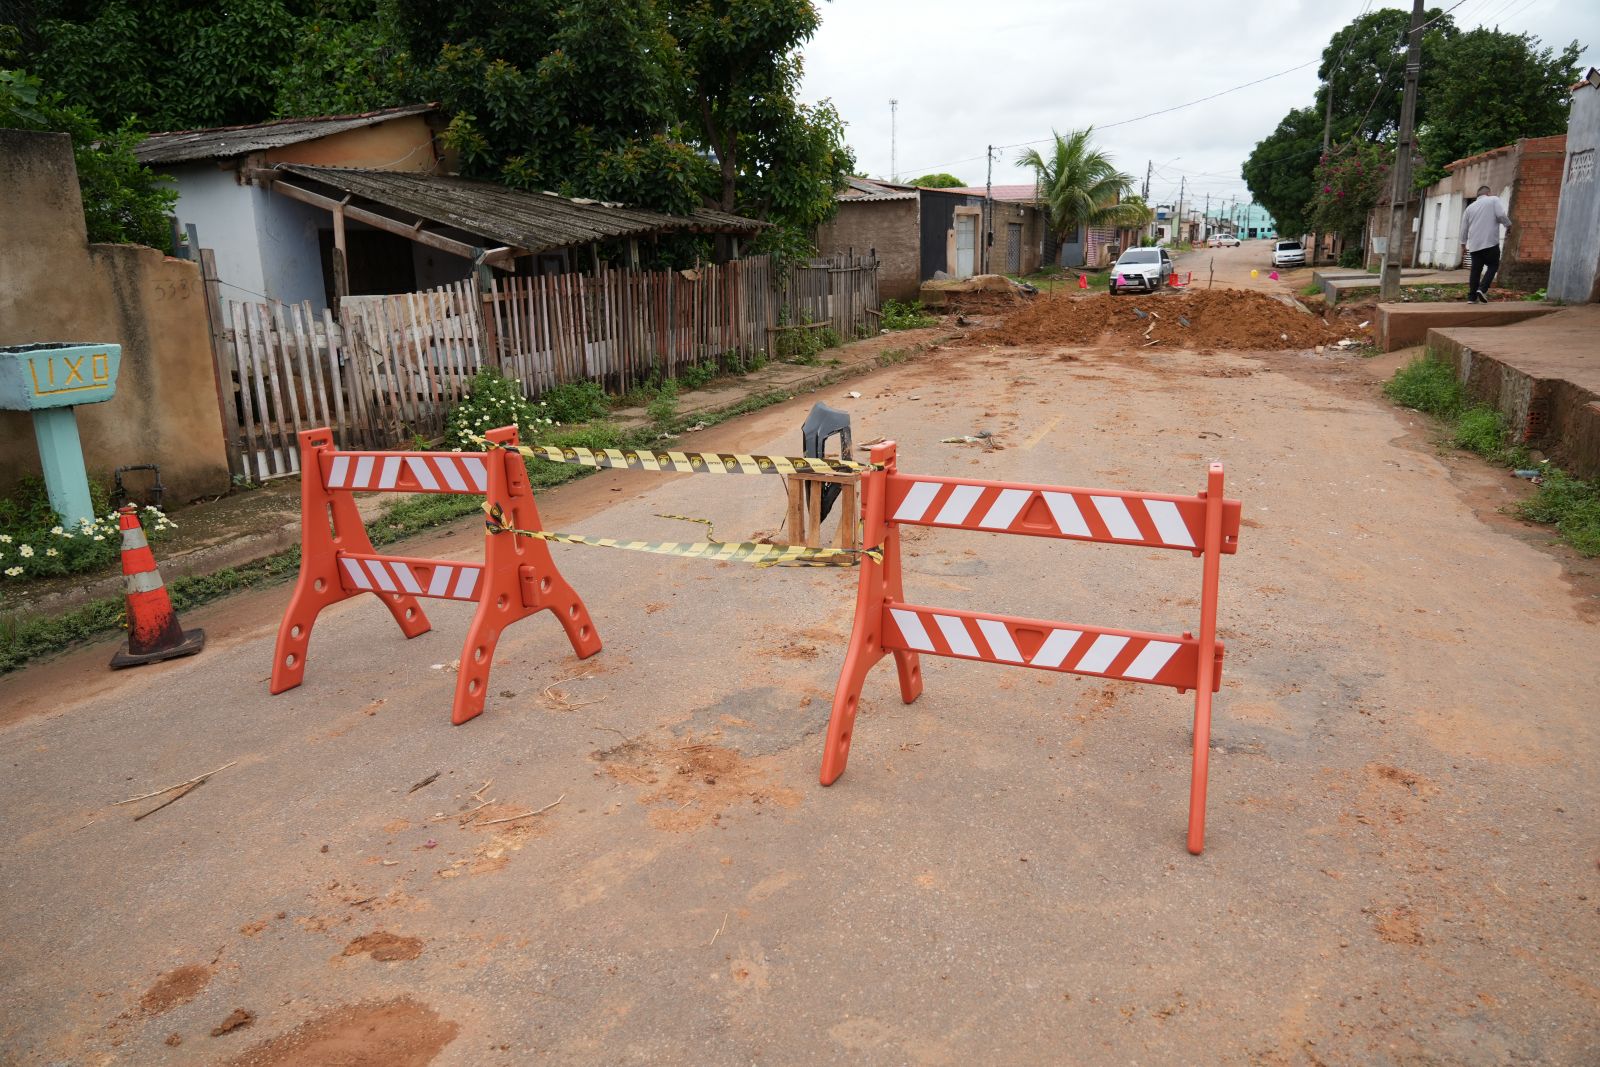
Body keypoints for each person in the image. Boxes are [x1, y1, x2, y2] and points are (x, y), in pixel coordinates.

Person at [1460, 185, 1513, 303]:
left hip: (1474, 245)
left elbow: (1464, 228)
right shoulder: (1493, 199)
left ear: (1478, 195)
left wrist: (1463, 245)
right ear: (1488, 193)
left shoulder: (1469, 208)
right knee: (1493, 265)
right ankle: (1482, 289)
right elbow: (1500, 215)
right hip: (1490, 242)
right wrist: (1508, 225)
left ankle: (1472, 298)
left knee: (1475, 271)